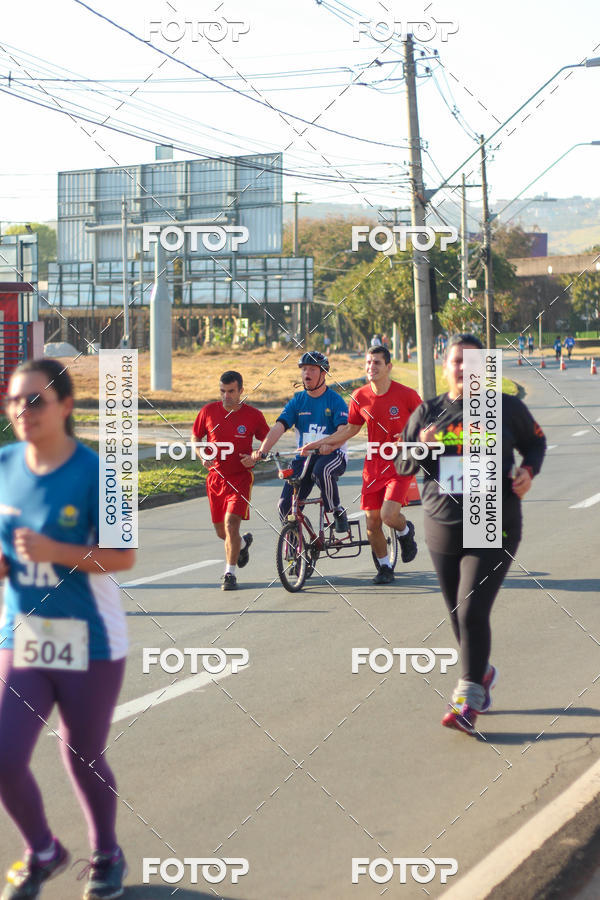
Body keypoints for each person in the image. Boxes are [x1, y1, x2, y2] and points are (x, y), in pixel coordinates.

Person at [0, 358, 135, 899]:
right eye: (14, 400)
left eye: (35, 400)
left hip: (90, 640)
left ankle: (107, 853)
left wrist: (56, 551)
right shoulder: (4, 464)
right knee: (3, 754)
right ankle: (44, 851)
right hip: (25, 636)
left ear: (65, 407)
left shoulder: (98, 473)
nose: (22, 410)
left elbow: (124, 556)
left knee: (81, 754)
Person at [397, 334, 546, 735]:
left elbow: (536, 442)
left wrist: (528, 471)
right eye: (457, 361)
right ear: (445, 366)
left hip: (493, 520)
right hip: (441, 524)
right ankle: (482, 672)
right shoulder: (428, 413)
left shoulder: (506, 408)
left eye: (473, 362)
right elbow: (402, 464)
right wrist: (421, 446)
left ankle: (467, 698)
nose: (464, 368)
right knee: (457, 617)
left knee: (471, 612)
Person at [302, 345, 421, 584]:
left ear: (388, 367)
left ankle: (405, 531)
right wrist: (322, 444)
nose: (371, 367)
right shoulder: (359, 397)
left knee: (388, 516)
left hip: (400, 463)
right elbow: (350, 429)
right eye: (368, 362)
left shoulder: (407, 394)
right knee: (372, 522)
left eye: (376, 362)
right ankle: (385, 566)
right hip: (373, 466)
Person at [252, 351, 349, 532]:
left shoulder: (335, 400)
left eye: (312, 369)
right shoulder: (298, 401)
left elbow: (343, 431)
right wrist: (262, 450)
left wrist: (329, 446)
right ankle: (298, 539)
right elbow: (279, 426)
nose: (307, 373)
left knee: (322, 471)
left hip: (333, 454)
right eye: (304, 369)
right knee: (284, 507)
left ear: (324, 373)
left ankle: (336, 510)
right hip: (304, 458)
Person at [192, 371, 269, 591]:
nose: (226, 396)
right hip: (216, 479)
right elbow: (195, 437)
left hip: (240, 478)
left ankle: (229, 574)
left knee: (231, 524)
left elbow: (268, 439)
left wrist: (255, 456)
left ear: (241, 391)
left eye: (231, 391)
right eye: (222, 391)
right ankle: (242, 543)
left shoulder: (253, 415)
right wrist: (202, 454)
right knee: (222, 533)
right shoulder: (208, 411)